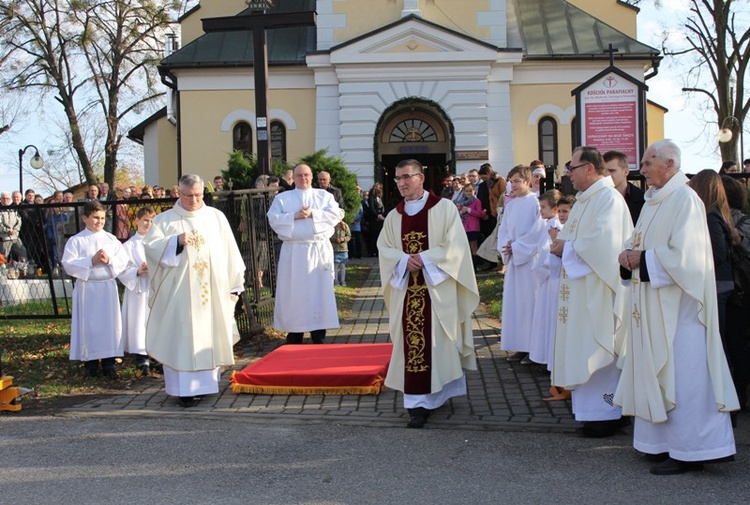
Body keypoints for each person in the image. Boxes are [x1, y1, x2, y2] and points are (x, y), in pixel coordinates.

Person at [615, 139, 739, 475]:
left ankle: (692, 450)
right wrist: (626, 257)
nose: (643, 169)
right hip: (652, 307)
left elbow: (689, 258)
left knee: (684, 376)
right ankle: (658, 444)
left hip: (680, 311)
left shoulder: (685, 200)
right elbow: (637, 245)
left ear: (669, 164)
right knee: (655, 370)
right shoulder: (655, 201)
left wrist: (643, 259)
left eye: (648, 162)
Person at [377, 159, 479, 429]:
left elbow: (455, 246)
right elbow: (384, 249)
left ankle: (437, 394)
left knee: (438, 342)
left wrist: (423, 258)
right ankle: (416, 404)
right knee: (411, 344)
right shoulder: (393, 217)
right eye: (397, 178)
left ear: (421, 178)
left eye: (407, 177)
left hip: (436, 291)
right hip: (406, 291)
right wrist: (401, 260)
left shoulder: (444, 209)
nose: (401, 183)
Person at [550, 146, 633, 438]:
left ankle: (607, 414)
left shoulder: (608, 200)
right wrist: (563, 244)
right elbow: (571, 237)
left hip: (598, 292)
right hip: (581, 291)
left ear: (588, 168)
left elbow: (604, 245)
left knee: (597, 347)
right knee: (582, 347)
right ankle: (592, 414)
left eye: (571, 168)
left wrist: (566, 247)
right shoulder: (587, 200)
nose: (567, 174)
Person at [144, 174, 246, 407]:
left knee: (209, 334)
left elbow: (230, 249)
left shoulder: (215, 217)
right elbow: (150, 249)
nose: (194, 200)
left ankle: (206, 386)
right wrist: (175, 242)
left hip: (212, 290)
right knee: (183, 337)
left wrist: (235, 282)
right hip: (179, 294)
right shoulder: (165, 220)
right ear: (178, 193)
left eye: (198, 195)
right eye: (189, 195)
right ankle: (184, 390)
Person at [267, 163, 344, 344]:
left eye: (307, 175)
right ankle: (294, 335)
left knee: (319, 293)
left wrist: (313, 215)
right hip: (294, 254)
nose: (304, 178)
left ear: (312, 176)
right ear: (293, 178)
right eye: (299, 175)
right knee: (295, 294)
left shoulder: (323, 196)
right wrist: (293, 216)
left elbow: (337, 214)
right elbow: (273, 218)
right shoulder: (283, 199)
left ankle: (319, 335)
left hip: (318, 251)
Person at [61, 200, 130, 379]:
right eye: (95, 218)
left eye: (102, 218)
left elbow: (123, 260)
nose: (99, 222)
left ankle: (109, 364)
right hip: (88, 288)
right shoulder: (77, 240)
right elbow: (68, 264)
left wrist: (110, 261)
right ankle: (90, 365)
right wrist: (90, 261)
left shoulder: (111, 239)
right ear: (85, 218)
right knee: (89, 326)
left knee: (110, 325)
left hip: (107, 287)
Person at [496, 165, 545, 363]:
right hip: (515, 262)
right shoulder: (512, 205)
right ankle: (519, 345)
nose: (512, 185)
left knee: (529, 305)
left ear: (527, 181)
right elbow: (503, 230)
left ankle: (533, 348)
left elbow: (538, 232)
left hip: (530, 262)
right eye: (510, 180)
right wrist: (506, 246)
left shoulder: (536, 203)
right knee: (516, 305)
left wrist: (517, 247)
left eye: (516, 181)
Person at [721, 175, 750, 410]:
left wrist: (731, 232)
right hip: (727, 293)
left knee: (736, 346)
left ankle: (739, 396)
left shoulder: (743, 222)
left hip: (738, 296)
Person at [119, 207, 155, 376]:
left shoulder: (157, 242)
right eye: (145, 220)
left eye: (151, 221)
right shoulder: (129, 245)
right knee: (139, 321)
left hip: (154, 287)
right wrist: (137, 271)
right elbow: (121, 268)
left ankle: (156, 355)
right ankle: (142, 358)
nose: (148, 224)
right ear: (137, 221)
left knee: (154, 321)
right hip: (138, 289)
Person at [528, 189, 562, 366]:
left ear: (555, 208)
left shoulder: (554, 225)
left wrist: (539, 270)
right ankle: (544, 358)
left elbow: (547, 252)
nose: (540, 211)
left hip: (550, 278)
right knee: (543, 317)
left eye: (543, 207)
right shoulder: (548, 224)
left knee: (548, 318)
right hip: (545, 277)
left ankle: (548, 359)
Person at [603, 150, 645, 224]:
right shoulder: (597, 198)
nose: (607, 175)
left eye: (612, 171)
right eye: (604, 171)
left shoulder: (643, 200)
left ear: (626, 172)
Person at [457, 183, 483, 256]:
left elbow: (479, 214)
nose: (468, 193)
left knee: (474, 247)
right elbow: (458, 214)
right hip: (464, 227)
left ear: (474, 191)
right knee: (465, 247)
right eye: (466, 191)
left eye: (470, 191)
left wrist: (469, 210)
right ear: (464, 192)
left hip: (473, 228)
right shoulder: (461, 202)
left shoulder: (477, 201)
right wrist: (461, 212)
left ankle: (475, 264)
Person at [1, 191, 23, 259]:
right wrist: (8, 230)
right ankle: (3, 269)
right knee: (4, 257)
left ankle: (23, 269)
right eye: (3, 198)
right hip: (4, 237)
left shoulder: (13, 209)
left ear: (10, 199)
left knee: (22, 253)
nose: (5, 200)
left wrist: (15, 229)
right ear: (1, 199)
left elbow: (19, 220)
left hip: (15, 236)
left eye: (7, 198)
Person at [331, 217, 351, 286]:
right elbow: (329, 236)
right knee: (335, 267)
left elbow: (349, 235)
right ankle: (335, 281)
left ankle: (343, 281)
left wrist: (344, 239)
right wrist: (335, 239)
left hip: (343, 249)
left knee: (342, 267)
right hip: (335, 249)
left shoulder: (345, 225)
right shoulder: (332, 226)